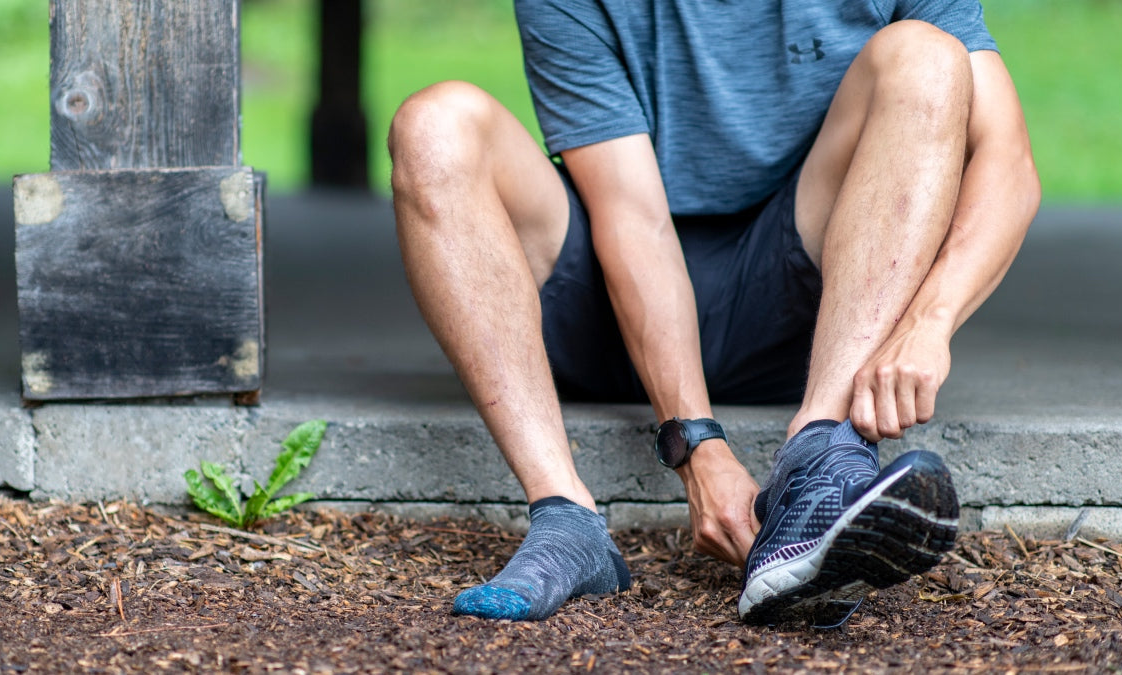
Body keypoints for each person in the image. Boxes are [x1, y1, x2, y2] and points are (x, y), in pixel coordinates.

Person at [385, 0, 1039, 626]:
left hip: (804, 314)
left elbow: (1008, 160)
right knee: (435, 126)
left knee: (926, 58)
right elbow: (633, 218)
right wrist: (695, 443)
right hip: (611, 312)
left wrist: (930, 318)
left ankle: (820, 464)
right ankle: (566, 519)